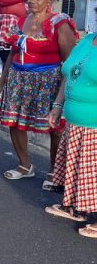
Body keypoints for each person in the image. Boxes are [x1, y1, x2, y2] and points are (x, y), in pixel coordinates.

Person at [0, 0, 77, 188]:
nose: (32, 1)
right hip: (18, 79)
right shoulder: (21, 21)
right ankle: (25, 166)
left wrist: (64, 91)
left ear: (49, 2)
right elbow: (13, 53)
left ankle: (54, 172)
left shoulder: (59, 23)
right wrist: (3, 80)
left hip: (48, 82)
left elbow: (69, 61)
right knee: (13, 122)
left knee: (54, 127)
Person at [45, 28, 97, 238]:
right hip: (75, 121)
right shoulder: (88, 40)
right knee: (78, 167)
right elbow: (69, 74)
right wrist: (58, 105)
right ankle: (76, 208)